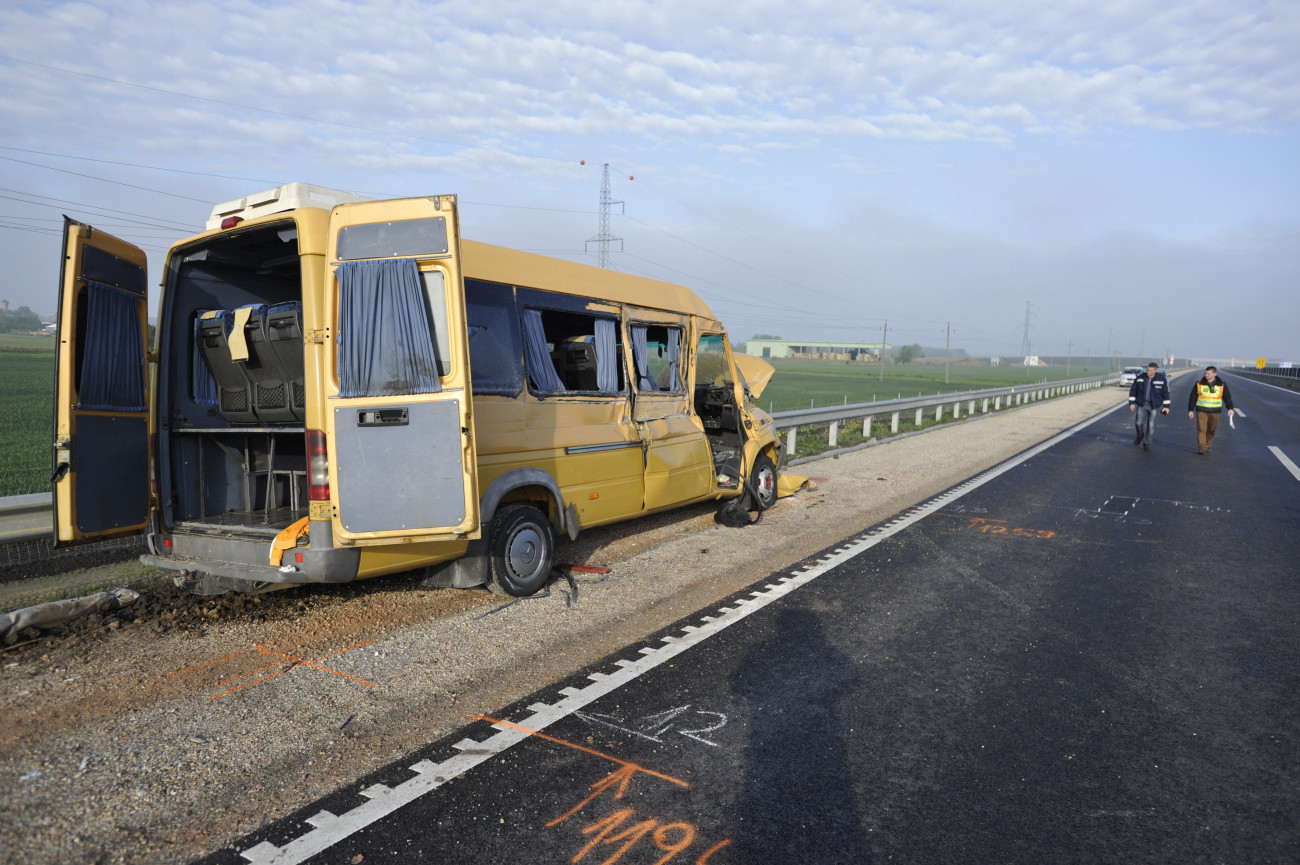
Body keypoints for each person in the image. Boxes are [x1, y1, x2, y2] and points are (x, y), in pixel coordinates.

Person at [1186, 365, 1235, 455]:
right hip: (1201, 410)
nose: (1206, 375)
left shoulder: (1222, 384)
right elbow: (1193, 397)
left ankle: (1207, 446)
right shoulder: (1199, 383)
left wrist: (1230, 408)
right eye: (1205, 373)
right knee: (1201, 429)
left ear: (1214, 374)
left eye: (1208, 373)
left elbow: (1227, 397)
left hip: (1215, 411)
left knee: (1211, 430)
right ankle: (1201, 447)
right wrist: (1190, 410)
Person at [1128, 361, 1171, 451]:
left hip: (1154, 406)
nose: (1147, 371)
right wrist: (1132, 403)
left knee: (1151, 426)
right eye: (1147, 370)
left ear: (1155, 371)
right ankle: (1140, 435)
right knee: (1138, 423)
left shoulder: (1161, 379)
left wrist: (1166, 406)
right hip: (1142, 404)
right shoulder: (1140, 377)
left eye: (1150, 370)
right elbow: (1133, 390)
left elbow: (1165, 393)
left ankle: (1147, 443)